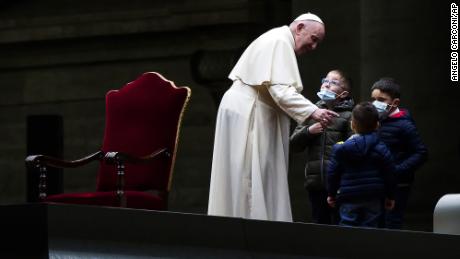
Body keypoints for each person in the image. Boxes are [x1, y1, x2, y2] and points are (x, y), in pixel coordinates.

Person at [207, 13, 339, 222]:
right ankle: (252, 230)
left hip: (243, 107)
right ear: (300, 27)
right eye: (313, 39)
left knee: (240, 177)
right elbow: (281, 90)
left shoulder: (276, 38)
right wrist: (314, 111)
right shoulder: (279, 41)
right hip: (249, 111)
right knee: (249, 177)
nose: (313, 47)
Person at [290, 69, 354, 224]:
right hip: (316, 183)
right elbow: (293, 144)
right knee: (320, 222)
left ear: (344, 93)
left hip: (340, 184)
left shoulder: (350, 116)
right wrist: (308, 131)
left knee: (341, 223)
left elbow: (353, 148)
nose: (326, 85)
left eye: (333, 82)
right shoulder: (310, 112)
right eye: (325, 80)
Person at [327, 102, 396, 227]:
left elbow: (333, 173)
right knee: (370, 229)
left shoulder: (340, 149)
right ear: (377, 125)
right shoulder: (381, 148)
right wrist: (390, 196)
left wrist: (331, 194)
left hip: (349, 196)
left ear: (352, 124)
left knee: (347, 227)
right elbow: (390, 173)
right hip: (373, 196)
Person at [370, 77, 428, 229]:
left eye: (381, 99)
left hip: (398, 185)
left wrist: (397, 171)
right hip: (377, 182)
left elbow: (421, 152)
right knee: (376, 223)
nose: (376, 103)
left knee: (391, 223)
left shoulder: (405, 125)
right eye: (373, 99)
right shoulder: (375, 122)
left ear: (395, 103)